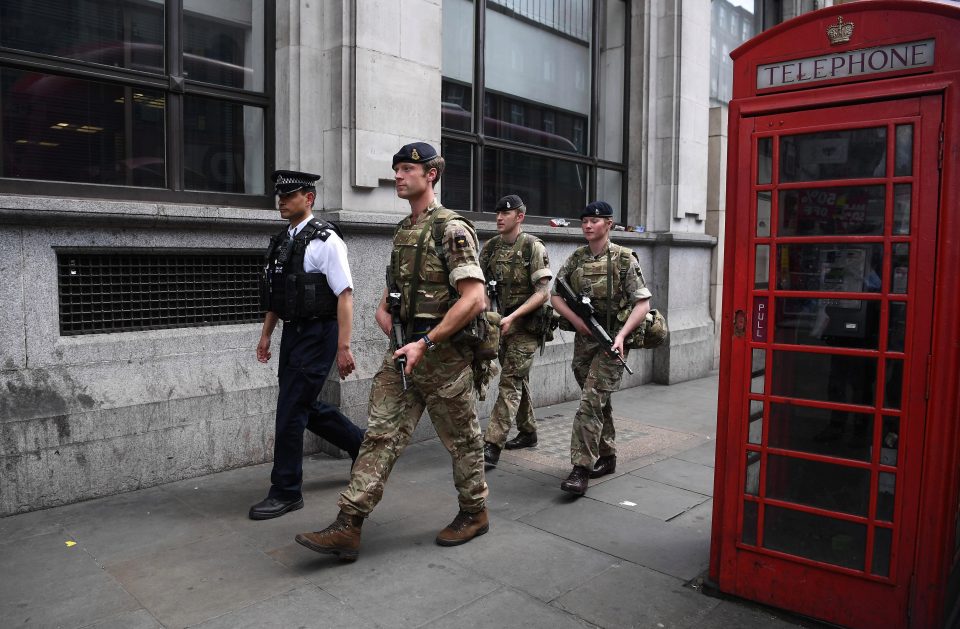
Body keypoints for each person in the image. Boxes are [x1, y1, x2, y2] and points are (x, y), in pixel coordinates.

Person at [295, 142, 490, 561]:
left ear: (431, 174)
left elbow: (473, 299)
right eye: (396, 169)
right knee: (380, 436)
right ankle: (349, 524)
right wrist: (384, 309)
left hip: (444, 356)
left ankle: (474, 512)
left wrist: (426, 342)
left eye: (406, 169)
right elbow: (394, 286)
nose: (398, 177)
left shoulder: (452, 229)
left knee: (463, 442)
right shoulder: (404, 229)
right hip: (405, 351)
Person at [248, 170, 365, 520]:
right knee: (303, 405)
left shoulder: (326, 240)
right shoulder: (283, 240)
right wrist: (267, 334)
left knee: (289, 411)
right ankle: (363, 444)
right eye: (279, 195)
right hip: (294, 332)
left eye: (290, 194)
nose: (282, 200)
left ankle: (286, 491)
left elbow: (345, 294)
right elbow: (277, 295)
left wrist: (344, 347)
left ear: (308, 198)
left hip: (319, 335)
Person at [550, 201, 652, 496]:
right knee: (597, 401)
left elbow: (642, 303)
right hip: (585, 341)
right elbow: (555, 295)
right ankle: (607, 457)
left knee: (590, 402)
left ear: (609, 223)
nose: (587, 225)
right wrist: (576, 321)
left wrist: (621, 336)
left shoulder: (623, 259)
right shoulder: (577, 258)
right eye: (584, 221)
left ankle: (580, 468)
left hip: (612, 343)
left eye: (594, 220)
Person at [479, 194, 553, 468]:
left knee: (509, 382)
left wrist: (513, 316)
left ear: (519, 217)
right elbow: (481, 285)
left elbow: (543, 293)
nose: (499, 217)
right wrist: (488, 311)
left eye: (505, 213)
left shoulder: (533, 247)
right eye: (497, 213)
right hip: (499, 326)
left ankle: (492, 444)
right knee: (517, 379)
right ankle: (528, 431)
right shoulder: (491, 248)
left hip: (526, 328)